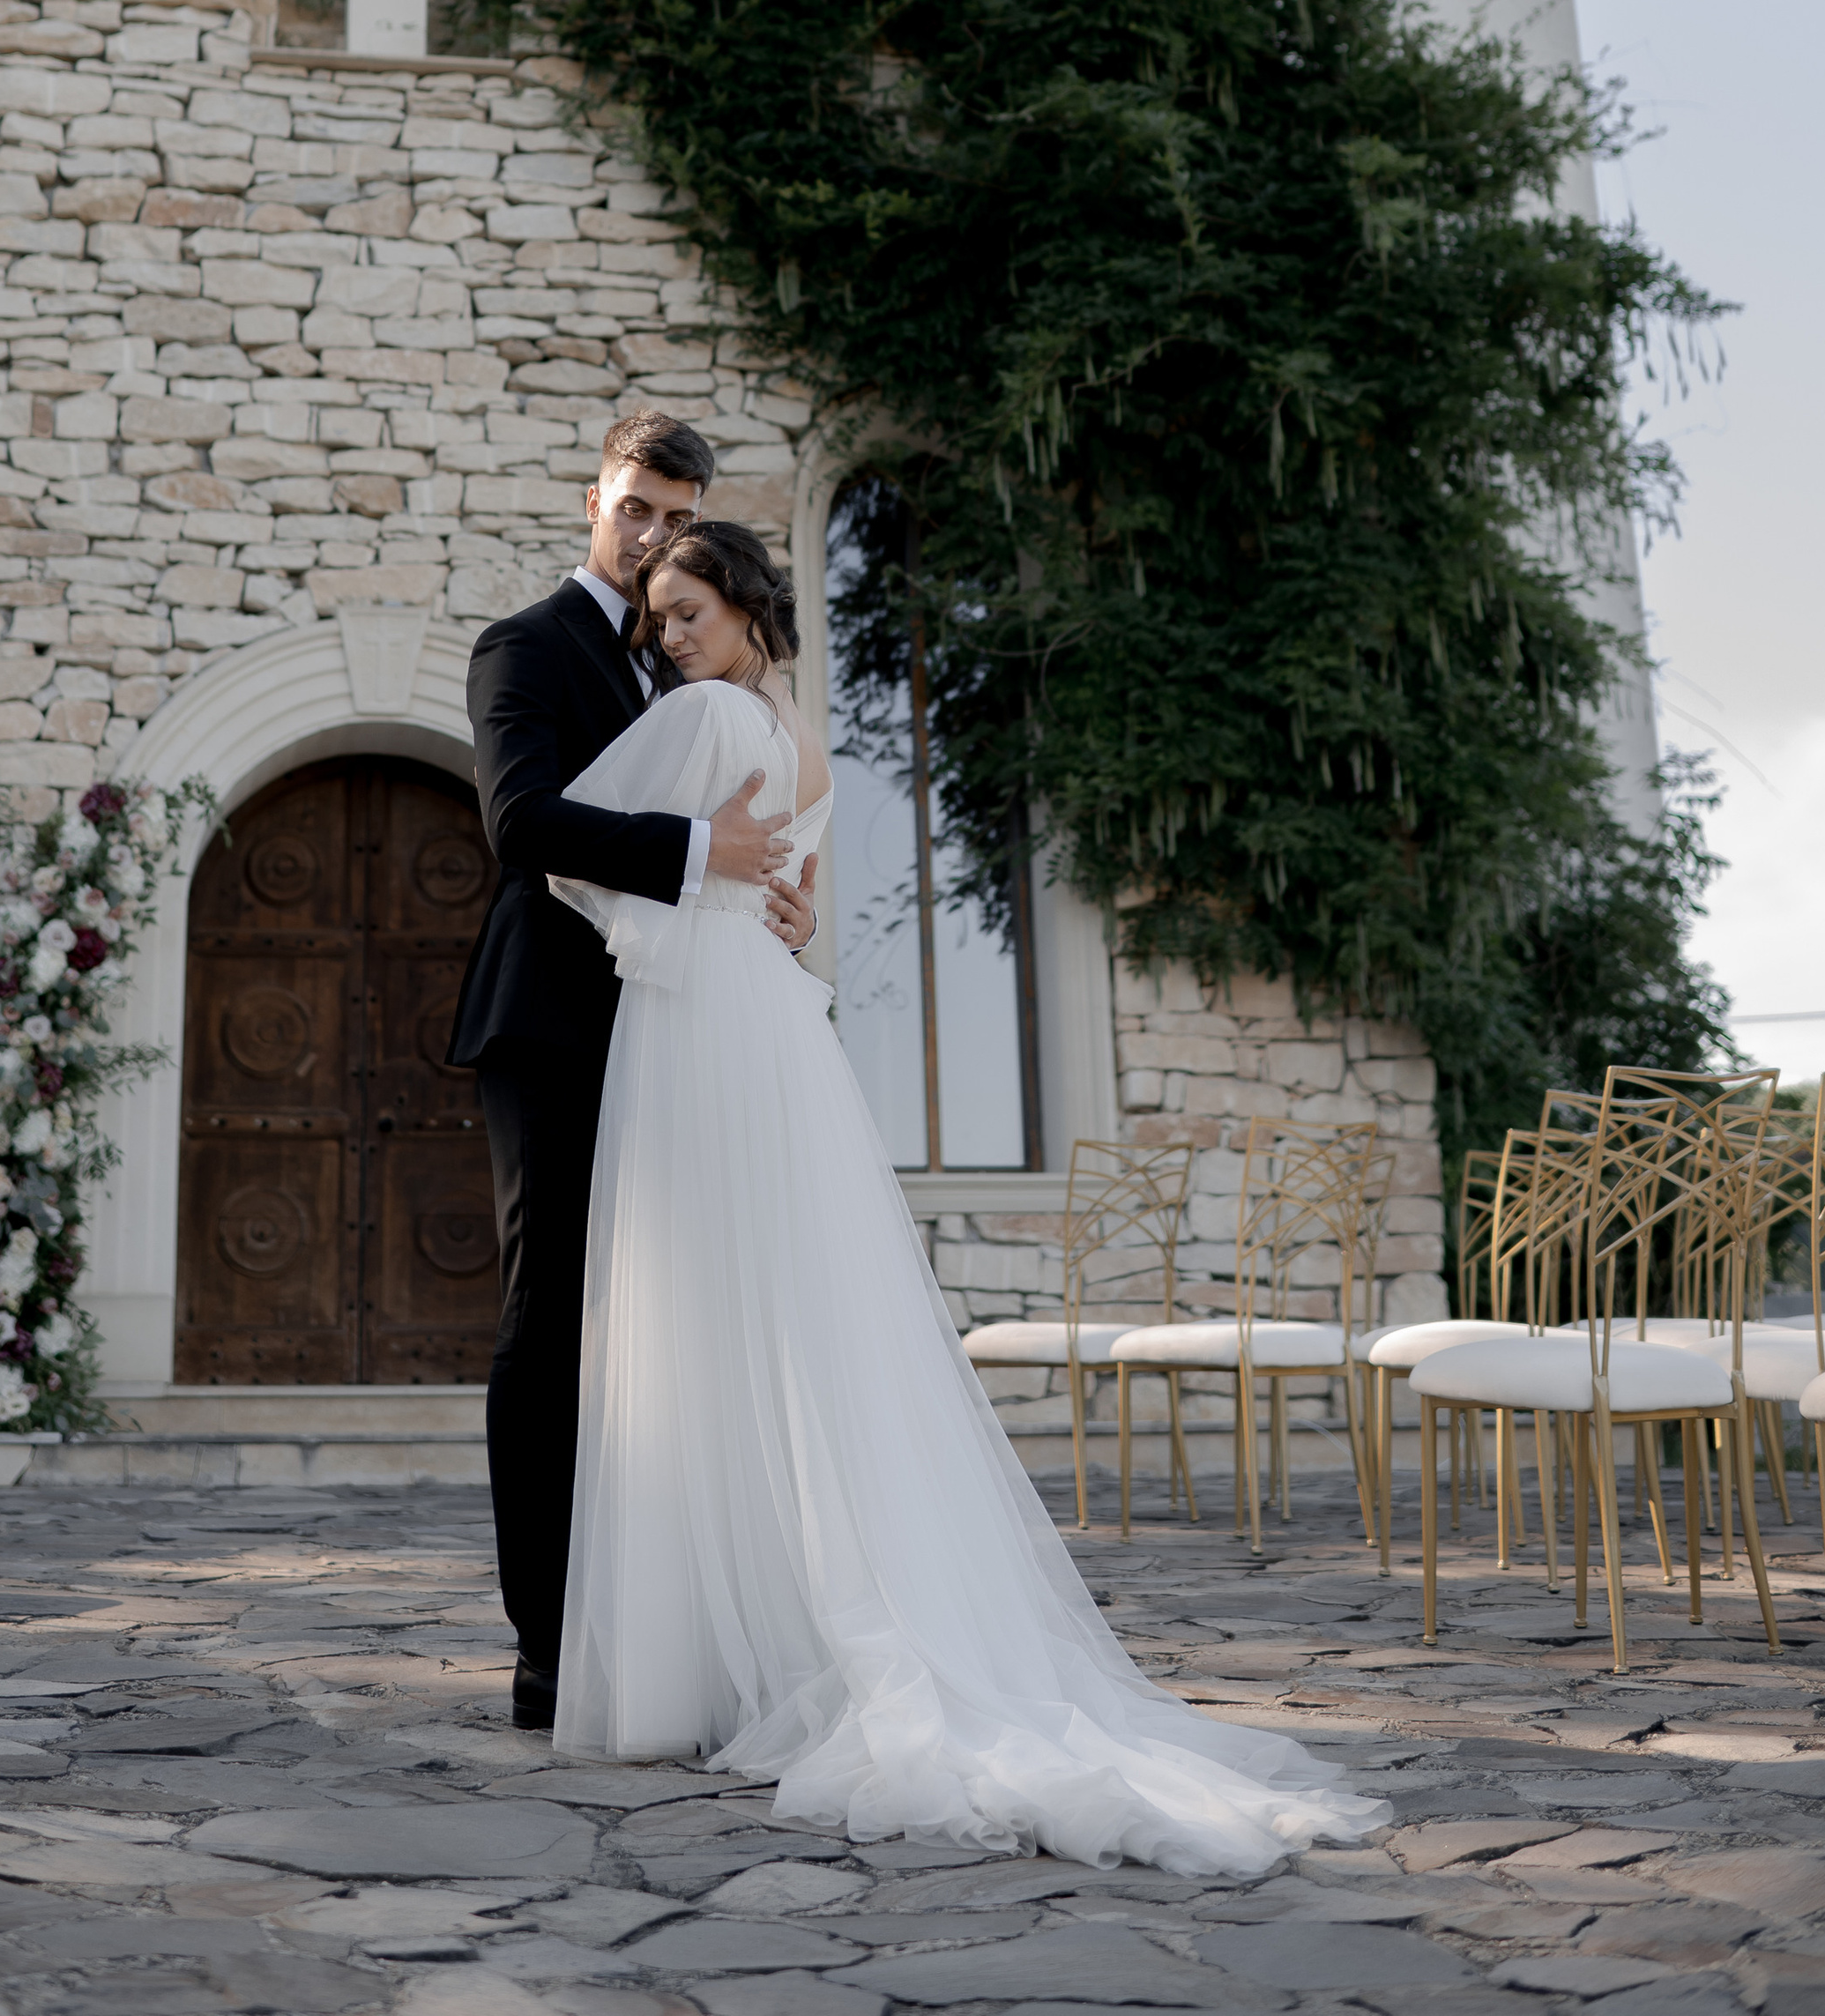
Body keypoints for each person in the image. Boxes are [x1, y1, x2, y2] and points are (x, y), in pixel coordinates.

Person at [546, 521, 1386, 1875]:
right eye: (659, 619)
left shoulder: (703, 718)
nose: (672, 638)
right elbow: (790, 895)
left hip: (701, 1023)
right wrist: (735, 892)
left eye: (690, 609)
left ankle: (690, 1667)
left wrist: (670, 892)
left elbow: (570, 849)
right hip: (775, 1026)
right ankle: (781, 1636)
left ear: (749, 607)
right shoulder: (806, 743)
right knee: (789, 1321)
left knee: (698, 1315)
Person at [449, 411, 817, 1730]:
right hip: (551, 1026)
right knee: (550, 1323)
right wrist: (700, 855)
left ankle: (666, 1630)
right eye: (636, 508)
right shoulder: (525, 646)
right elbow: (520, 821)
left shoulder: (687, 658)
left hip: (677, 1029)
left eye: (679, 516)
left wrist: (775, 907)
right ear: (594, 501)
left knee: (674, 1329)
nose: (655, 534)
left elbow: (750, 834)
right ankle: (550, 1645)